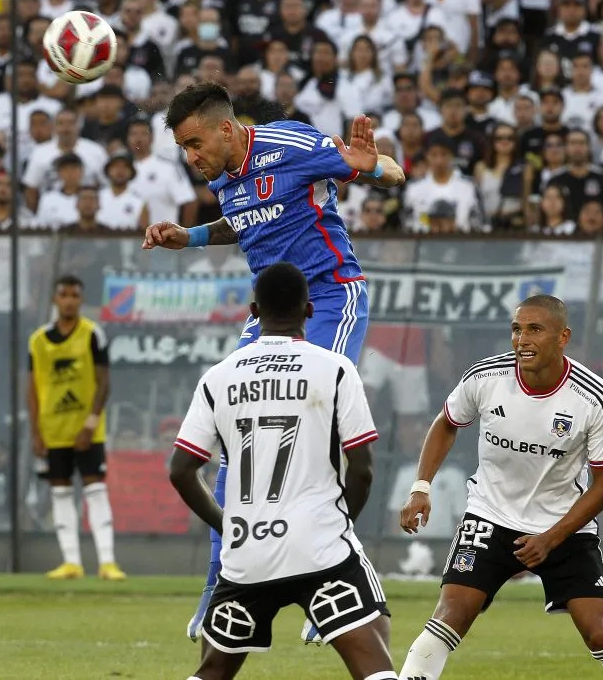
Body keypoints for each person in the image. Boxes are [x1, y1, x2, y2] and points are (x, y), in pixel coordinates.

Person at [141, 80, 406, 642]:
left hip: (329, 297)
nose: (191, 158)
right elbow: (243, 220)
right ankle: (219, 586)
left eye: (194, 143)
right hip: (267, 313)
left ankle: (333, 585)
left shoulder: (292, 144)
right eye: (183, 148)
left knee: (319, 432)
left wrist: (372, 169)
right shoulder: (222, 174)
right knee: (236, 440)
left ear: (226, 128)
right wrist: (188, 237)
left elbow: (390, 172)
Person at [169, 262, 395, 680]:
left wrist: (227, 523)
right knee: (375, 650)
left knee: (212, 670)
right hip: (320, 548)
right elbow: (362, 470)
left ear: (254, 311)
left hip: (247, 551)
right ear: (309, 310)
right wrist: (340, 523)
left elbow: (182, 471)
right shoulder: (335, 369)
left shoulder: (218, 377)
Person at [397, 294, 603, 680]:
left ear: (562, 337)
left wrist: (551, 539)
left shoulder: (596, 398)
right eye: (516, 329)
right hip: (489, 516)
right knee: (450, 615)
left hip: (563, 526)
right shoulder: (485, 377)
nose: (522, 340)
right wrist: (421, 487)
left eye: (535, 329)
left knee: (600, 633)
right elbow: (446, 423)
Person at [27, 274, 124, 582]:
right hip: (53, 430)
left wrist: (91, 422)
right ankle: (71, 562)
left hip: (86, 429)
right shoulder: (38, 340)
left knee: (95, 489)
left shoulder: (92, 334)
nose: (69, 301)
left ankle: (107, 562)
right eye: (64, 295)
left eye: (74, 295)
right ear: (55, 299)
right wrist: (36, 432)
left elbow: (104, 382)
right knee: (60, 492)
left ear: (81, 300)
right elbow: (32, 388)